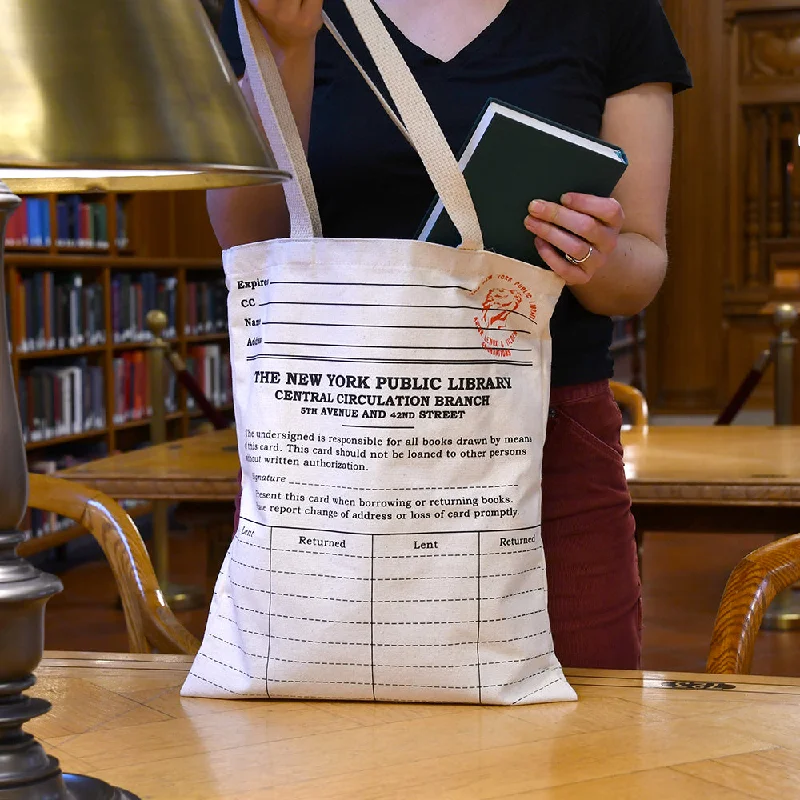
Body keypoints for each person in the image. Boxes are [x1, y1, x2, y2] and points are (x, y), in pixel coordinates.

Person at [213, 0, 692, 670]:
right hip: (337, 445)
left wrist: (592, 254)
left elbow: (640, 269)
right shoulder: (283, 8)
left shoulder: (612, 11)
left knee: (585, 751)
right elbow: (247, 239)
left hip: (547, 442)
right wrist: (290, 50)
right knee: (313, 750)